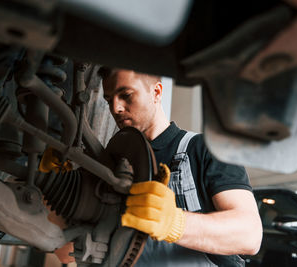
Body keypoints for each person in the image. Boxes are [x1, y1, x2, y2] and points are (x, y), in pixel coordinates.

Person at [99, 68, 262, 266]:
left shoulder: (206, 149)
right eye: (109, 100)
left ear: (157, 92)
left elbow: (249, 236)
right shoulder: (112, 163)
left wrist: (174, 223)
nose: (116, 108)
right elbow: (68, 250)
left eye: (126, 95)